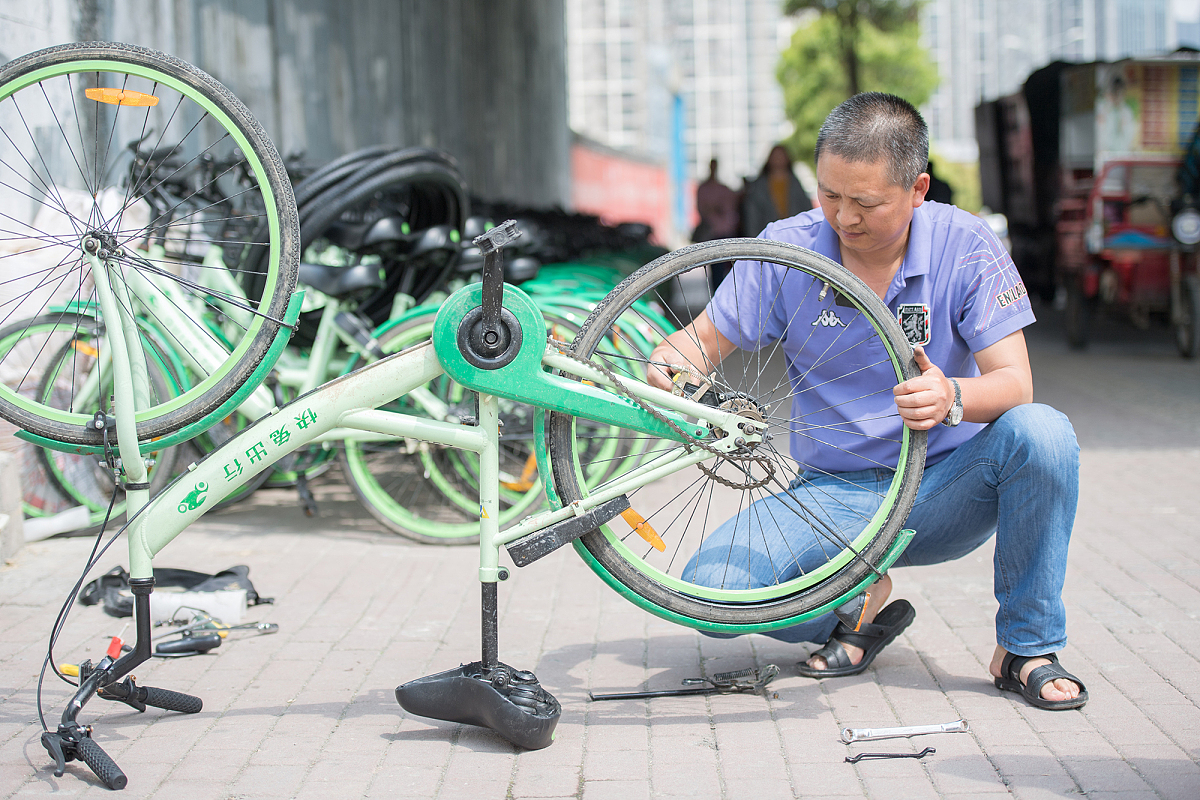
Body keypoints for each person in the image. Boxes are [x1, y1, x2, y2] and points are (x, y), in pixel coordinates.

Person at [648, 92, 1086, 711]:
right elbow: (700, 343)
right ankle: (852, 603)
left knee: (1044, 433)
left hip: (943, 485)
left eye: (866, 202)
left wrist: (951, 395)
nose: (843, 218)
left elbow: (1016, 384)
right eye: (828, 194)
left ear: (918, 189)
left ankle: (1027, 646)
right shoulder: (787, 249)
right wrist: (666, 369)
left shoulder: (966, 245)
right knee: (710, 596)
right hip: (833, 493)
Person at [740, 144, 812, 238]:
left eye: (781, 155)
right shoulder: (759, 185)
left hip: (793, 234)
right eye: (776, 156)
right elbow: (752, 214)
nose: (778, 159)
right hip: (767, 236)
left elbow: (805, 207)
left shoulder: (795, 183)